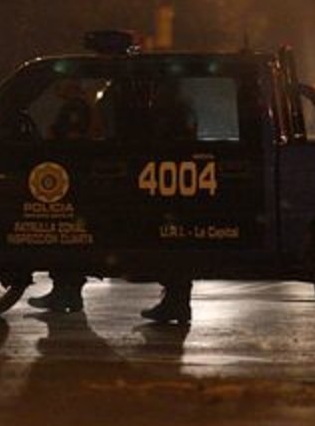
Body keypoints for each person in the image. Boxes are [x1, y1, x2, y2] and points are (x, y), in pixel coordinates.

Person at [27, 77, 194, 324]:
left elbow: (83, 138)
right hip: (144, 179)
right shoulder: (166, 108)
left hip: (140, 180)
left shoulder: (158, 110)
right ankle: (67, 290)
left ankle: (175, 302)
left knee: (75, 233)